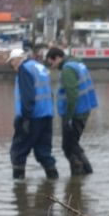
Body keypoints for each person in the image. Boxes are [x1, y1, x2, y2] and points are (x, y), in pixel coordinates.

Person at [45, 47, 98, 175]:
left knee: (68, 146)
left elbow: (72, 94)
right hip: (84, 109)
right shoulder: (78, 63)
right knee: (72, 144)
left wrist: (68, 117)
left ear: (57, 58)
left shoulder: (67, 70)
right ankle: (84, 174)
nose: (51, 67)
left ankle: (80, 173)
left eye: (51, 63)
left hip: (75, 113)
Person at [6, 48, 58, 180]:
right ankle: (53, 180)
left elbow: (28, 96)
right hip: (46, 115)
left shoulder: (24, 69)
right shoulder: (40, 67)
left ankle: (18, 187)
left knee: (18, 151)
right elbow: (49, 93)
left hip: (32, 117)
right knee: (43, 152)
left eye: (12, 62)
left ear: (17, 59)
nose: (12, 66)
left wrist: (25, 119)